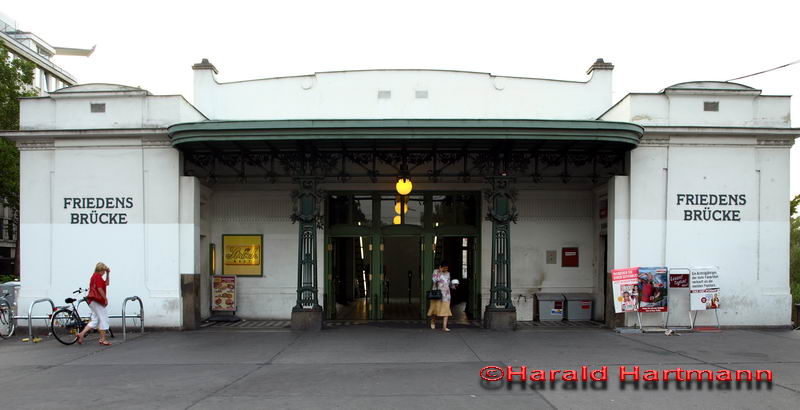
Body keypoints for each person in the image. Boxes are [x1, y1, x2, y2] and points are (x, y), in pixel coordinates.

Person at [76, 262, 111, 346]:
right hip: (96, 301)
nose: (104, 273)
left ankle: (81, 334)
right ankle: (102, 339)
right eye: (104, 271)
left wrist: (108, 274)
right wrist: (105, 298)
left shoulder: (95, 276)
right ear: (100, 270)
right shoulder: (97, 276)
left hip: (92, 301)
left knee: (95, 320)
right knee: (104, 318)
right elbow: (99, 289)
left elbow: (106, 283)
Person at [427, 262, 456, 332]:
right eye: (444, 268)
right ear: (440, 267)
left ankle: (444, 327)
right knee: (435, 310)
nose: (446, 269)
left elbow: (448, 284)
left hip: (446, 295)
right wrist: (440, 272)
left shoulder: (448, 273)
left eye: (447, 268)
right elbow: (434, 280)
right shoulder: (436, 271)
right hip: (437, 294)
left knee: (446, 310)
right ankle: (433, 321)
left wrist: (453, 285)